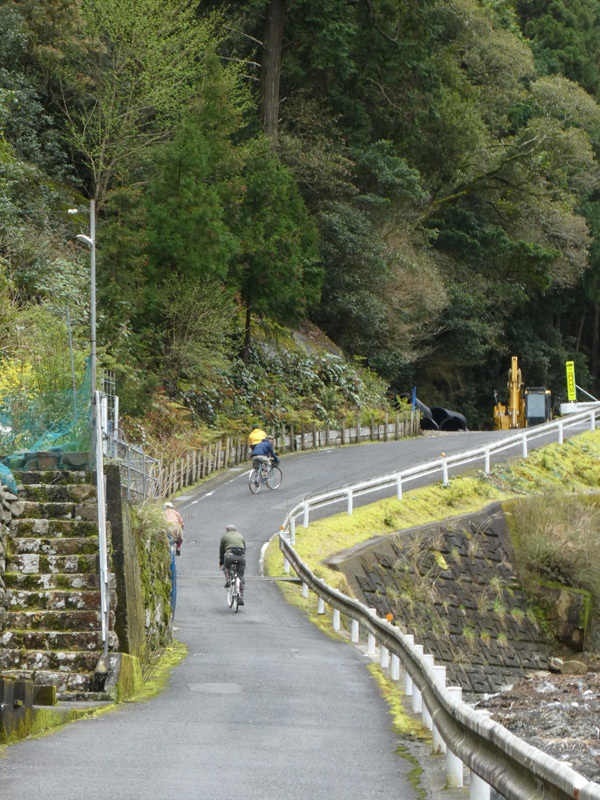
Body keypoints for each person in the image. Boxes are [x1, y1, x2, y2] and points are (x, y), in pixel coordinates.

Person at [219, 524, 246, 605]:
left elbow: (222, 551)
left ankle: (228, 580)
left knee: (226, 566)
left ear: (227, 530)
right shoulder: (240, 536)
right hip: (241, 556)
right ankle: (241, 597)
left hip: (230, 555)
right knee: (241, 576)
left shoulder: (225, 537)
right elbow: (244, 548)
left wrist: (221, 562)